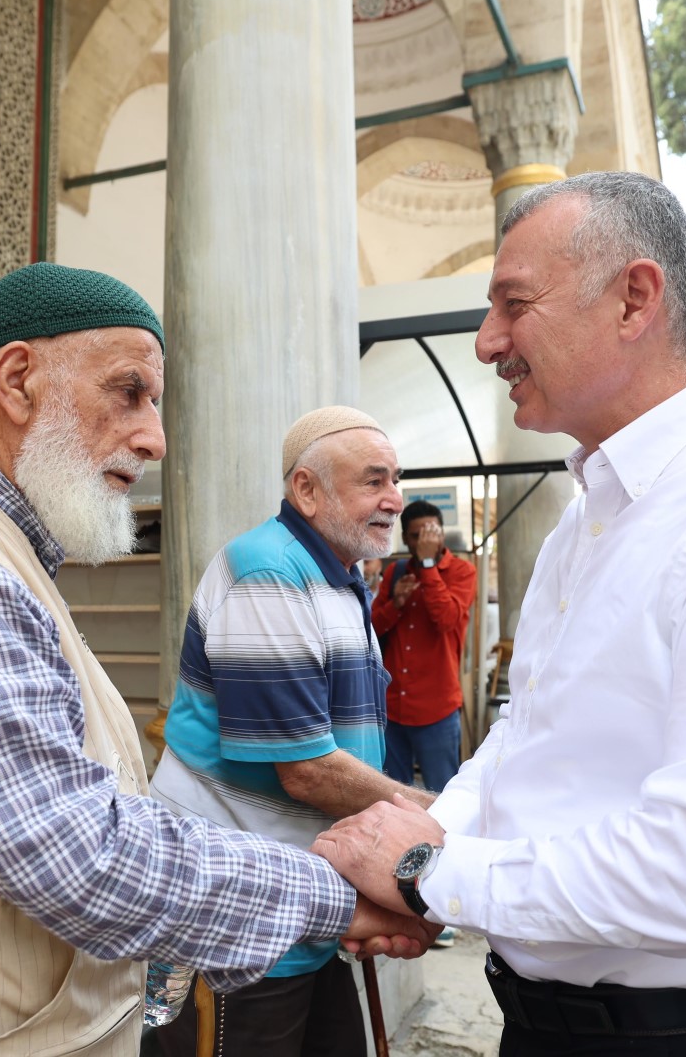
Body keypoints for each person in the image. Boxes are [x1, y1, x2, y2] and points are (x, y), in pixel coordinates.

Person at [0, 265, 430, 1057]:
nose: (154, 437)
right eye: (127, 391)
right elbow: (72, 850)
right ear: (17, 381)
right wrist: (337, 893)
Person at [311, 172, 686, 1055]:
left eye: (514, 305)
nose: (487, 342)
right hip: (548, 1021)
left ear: (633, 299)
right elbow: (529, 745)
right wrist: (435, 841)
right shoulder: (587, 516)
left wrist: (424, 871)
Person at [149, 405, 435, 1057]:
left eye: (395, 478)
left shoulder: (343, 577)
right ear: (305, 490)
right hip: (236, 917)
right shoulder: (267, 571)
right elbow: (307, 770)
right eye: (372, 480)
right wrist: (444, 818)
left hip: (303, 907)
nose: (394, 499)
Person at [370, 499, 477, 792]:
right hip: (393, 709)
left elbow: (446, 619)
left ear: (441, 533)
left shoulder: (462, 572)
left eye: (433, 532)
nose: (427, 541)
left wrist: (429, 566)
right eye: (418, 536)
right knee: (395, 796)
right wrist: (396, 605)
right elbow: (371, 630)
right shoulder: (395, 573)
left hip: (436, 710)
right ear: (405, 538)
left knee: (441, 796)